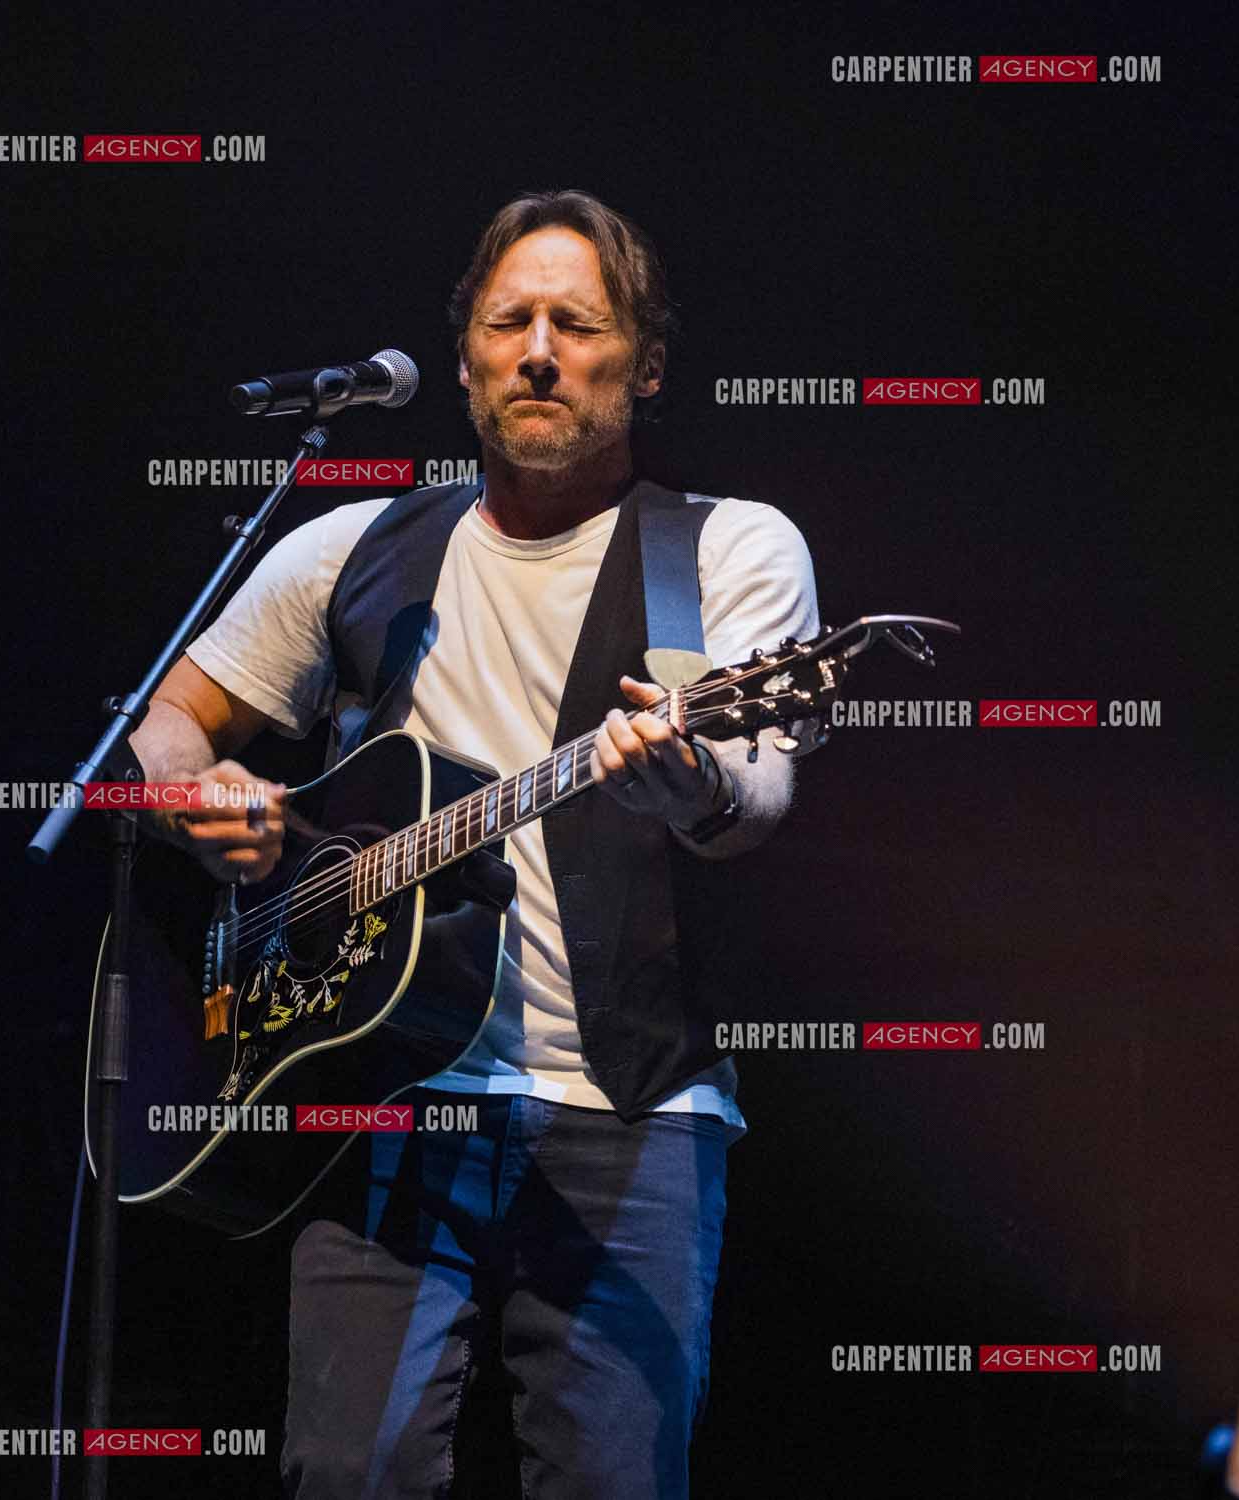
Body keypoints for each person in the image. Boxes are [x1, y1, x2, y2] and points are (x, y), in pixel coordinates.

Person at [128, 189, 818, 1496]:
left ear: (648, 361)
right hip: (380, 1094)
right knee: (345, 1477)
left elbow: (759, 796)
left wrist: (687, 783)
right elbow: (168, 719)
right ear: (465, 361)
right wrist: (196, 795)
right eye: (510, 322)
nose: (539, 350)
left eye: (578, 322)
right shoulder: (361, 545)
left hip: (633, 1114)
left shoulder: (727, 548)